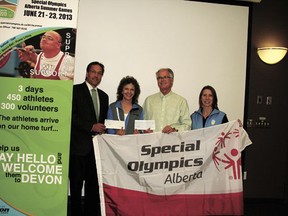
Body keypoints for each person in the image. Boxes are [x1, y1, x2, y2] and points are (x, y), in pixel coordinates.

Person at [69, 61, 109, 216]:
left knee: (93, 189)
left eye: (99, 73)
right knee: (76, 188)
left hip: (96, 151)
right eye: (93, 71)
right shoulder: (75, 91)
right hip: (78, 149)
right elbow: (70, 116)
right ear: (87, 73)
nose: (96, 75)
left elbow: (104, 122)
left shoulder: (104, 96)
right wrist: (90, 126)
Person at [143, 68, 191, 133]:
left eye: (165, 77)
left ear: (172, 80)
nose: (162, 80)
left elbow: (187, 126)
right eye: (159, 78)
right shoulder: (149, 100)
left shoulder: (181, 101)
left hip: (173, 142)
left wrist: (174, 129)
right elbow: (143, 123)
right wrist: (144, 130)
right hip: (152, 141)